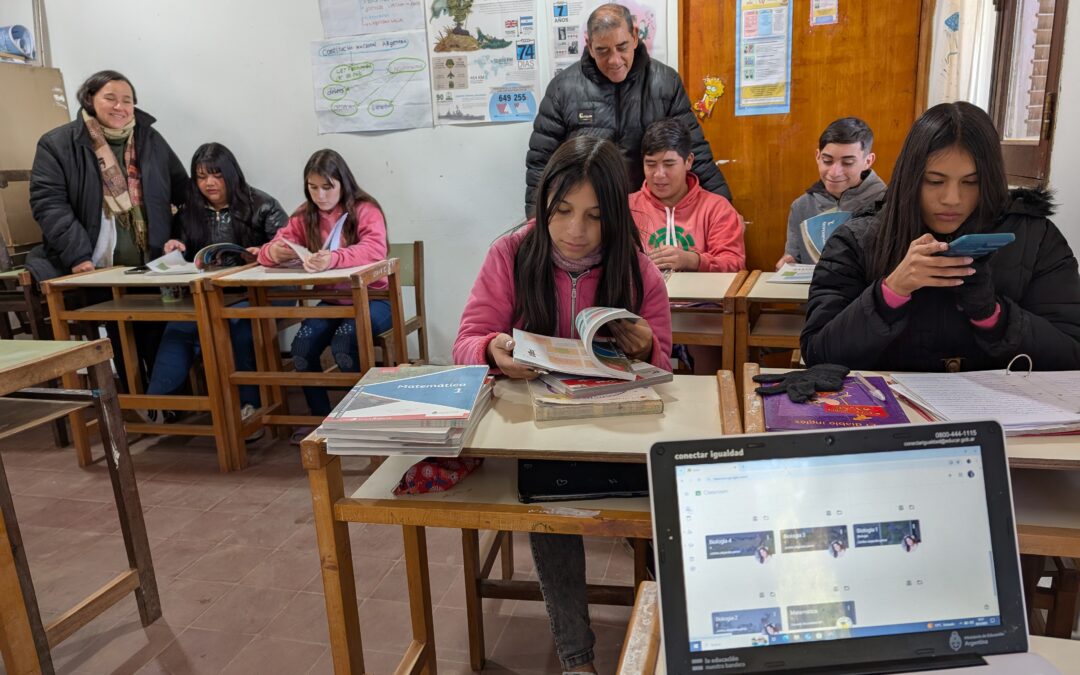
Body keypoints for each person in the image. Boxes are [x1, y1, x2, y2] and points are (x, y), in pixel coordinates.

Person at [454, 136, 672, 674]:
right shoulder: (511, 253)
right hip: (541, 431)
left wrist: (647, 347)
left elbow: (671, 367)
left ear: (615, 218)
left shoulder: (636, 268)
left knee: (670, 502)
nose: (576, 231)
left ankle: (669, 640)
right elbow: (467, 338)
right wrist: (491, 350)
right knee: (552, 511)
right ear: (543, 205)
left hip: (621, 431)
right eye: (563, 212)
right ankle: (577, 658)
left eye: (596, 216)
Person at [802, 102, 1080, 372]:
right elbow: (819, 353)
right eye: (934, 181)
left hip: (1001, 414)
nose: (952, 199)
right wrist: (890, 292)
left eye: (971, 182)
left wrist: (992, 315)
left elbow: (1071, 353)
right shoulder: (857, 238)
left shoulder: (1034, 236)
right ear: (910, 178)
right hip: (891, 412)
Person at [28, 69, 187, 388]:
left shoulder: (149, 139)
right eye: (110, 98)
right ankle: (134, 400)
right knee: (119, 332)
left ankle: (162, 402)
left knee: (157, 329)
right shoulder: (58, 143)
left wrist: (179, 238)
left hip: (150, 262)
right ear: (89, 99)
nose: (120, 107)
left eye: (127, 100)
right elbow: (49, 204)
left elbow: (182, 191)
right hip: (95, 265)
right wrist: (77, 255)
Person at [525, 3, 730, 216]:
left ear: (634, 36)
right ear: (589, 44)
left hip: (648, 215)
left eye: (622, 47)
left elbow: (693, 149)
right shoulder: (563, 88)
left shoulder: (665, 83)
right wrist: (534, 221)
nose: (614, 60)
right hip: (588, 214)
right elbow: (541, 163)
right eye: (602, 51)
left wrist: (724, 209)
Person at [139, 143, 288, 427]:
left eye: (216, 175)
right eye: (201, 176)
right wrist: (175, 249)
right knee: (180, 324)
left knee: (239, 325)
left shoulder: (262, 204)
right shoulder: (189, 212)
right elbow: (182, 254)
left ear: (230, 174)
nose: (209, 183)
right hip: (212, 294)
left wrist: (267, 253)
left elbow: (289, 247)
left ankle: (250, 407)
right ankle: (158, 403)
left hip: (263, 293)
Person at [258, 149, 391, 438]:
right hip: (330, 302)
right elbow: (270, 250)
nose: (320, 195)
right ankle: (321, 418)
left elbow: (375, 249)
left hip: (373, 300)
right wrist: (275, 252)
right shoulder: (304, 215)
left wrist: (334, 258)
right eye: (313, 187)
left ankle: (362, 418)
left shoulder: (365, 209)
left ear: (342, 183)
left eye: (327, 187)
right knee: (302, 349)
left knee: (344, 343)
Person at [630, 118, 745, 273]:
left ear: (688, 161)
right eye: (650, 164)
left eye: (669, 164)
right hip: (645, 296)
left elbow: (734, 264)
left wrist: (693, 260)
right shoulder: (628, 207)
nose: (658, 174)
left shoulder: (717, 208)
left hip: (701, 296)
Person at [776, 117, 886, 269]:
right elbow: (794, 256)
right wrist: (788, 263)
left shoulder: (888, 202)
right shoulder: (802, 206)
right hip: (814, 291)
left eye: (847, 163)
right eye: (827, 161)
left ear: (868, 161)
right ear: (817, 157)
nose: (835, 172)